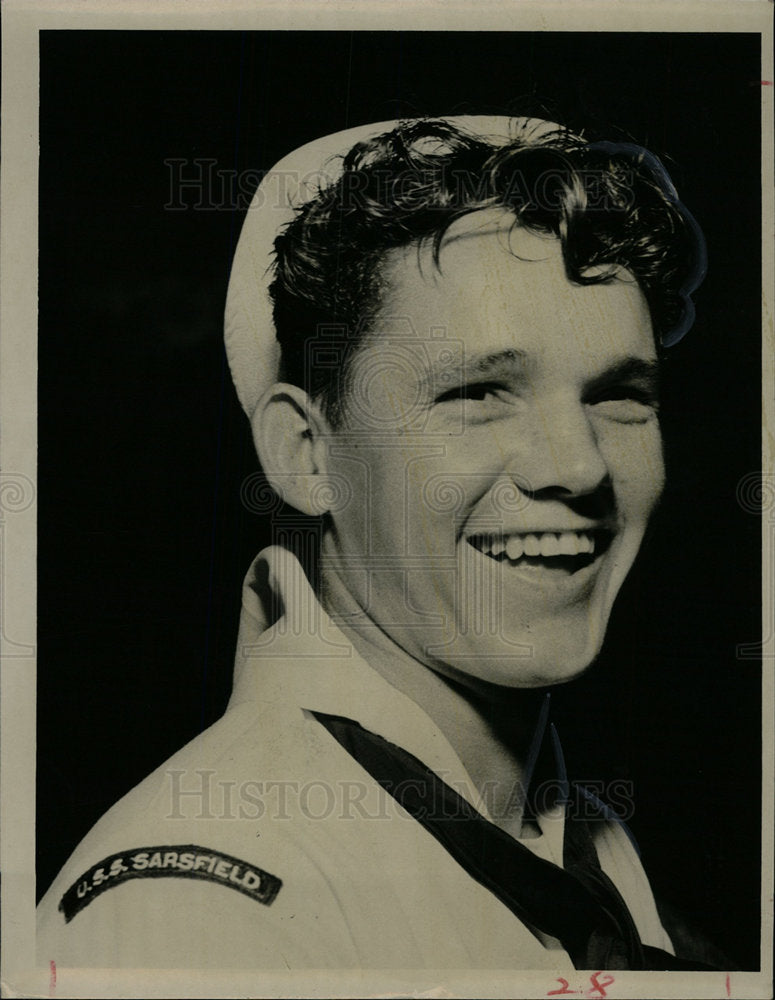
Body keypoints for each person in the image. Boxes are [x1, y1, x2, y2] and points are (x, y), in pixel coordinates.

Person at [37, 115, 710, 970]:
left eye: (618, 395)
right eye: (477, 393)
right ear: (306, 455)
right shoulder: (208, 914)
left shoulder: (577, 842)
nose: (577, 467)